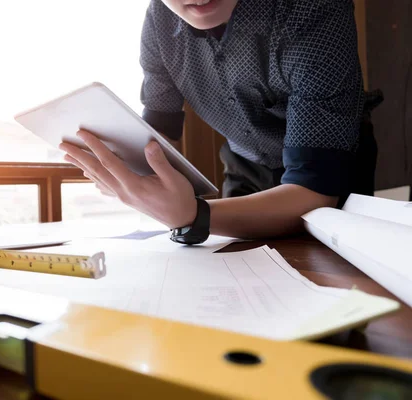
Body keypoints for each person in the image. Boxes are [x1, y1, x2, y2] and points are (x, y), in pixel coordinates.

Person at [58, 0, 382, 241]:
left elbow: (315, 191)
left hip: (331, 160)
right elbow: (159, 130)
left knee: (333, 272)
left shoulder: (312, 8)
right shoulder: (160, 18)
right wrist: (125, 166)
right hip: (242, 158)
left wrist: (194, 215)